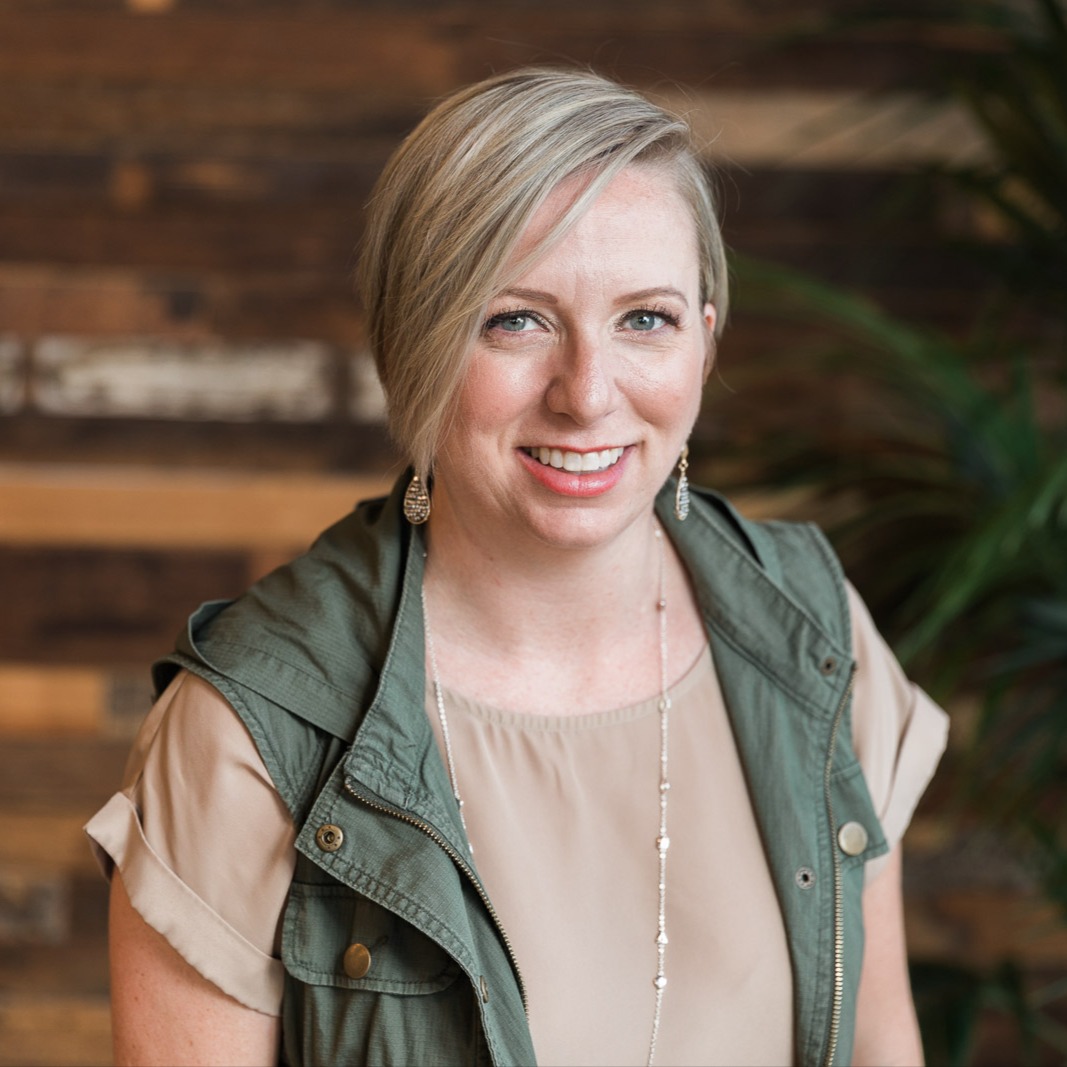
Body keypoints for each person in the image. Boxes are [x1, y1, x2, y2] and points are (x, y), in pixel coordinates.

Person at [87, 67, 948, 1067]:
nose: (586, 394)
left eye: (645, 318)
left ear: (703, 344)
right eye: (515, 319)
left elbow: (883, 1043)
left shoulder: (808, 627)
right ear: (416, 347)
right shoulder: (249, 730)